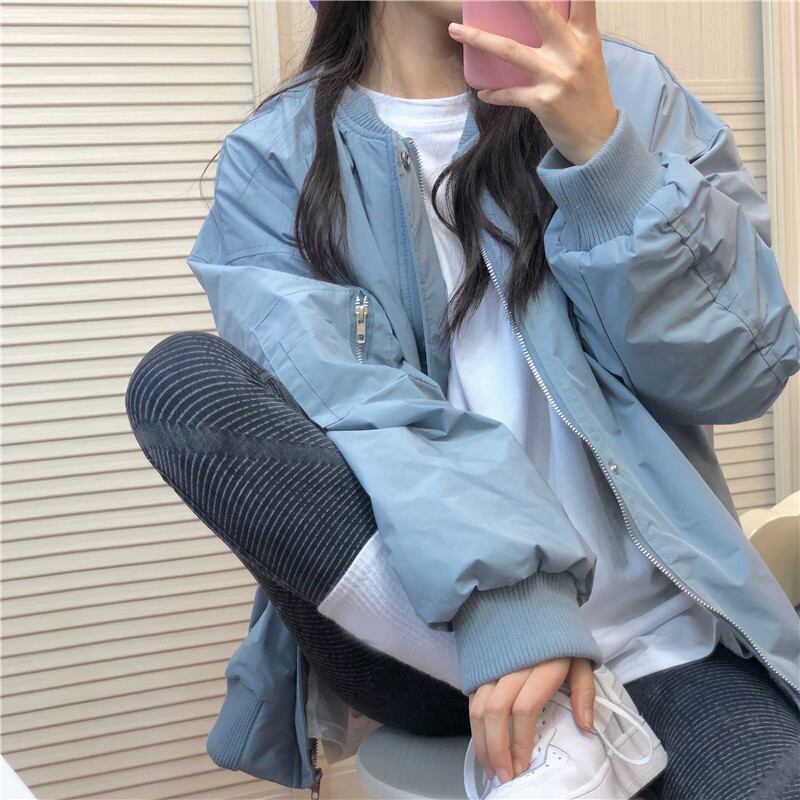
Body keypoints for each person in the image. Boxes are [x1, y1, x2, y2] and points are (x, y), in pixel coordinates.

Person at [125, 1, 800, 798]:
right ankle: (547, 708)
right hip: (430, 641)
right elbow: (354, 404)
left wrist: (604, 155)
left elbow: (738, 372)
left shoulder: (628, 92)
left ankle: (568, 720)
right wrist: (517, 613)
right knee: (182, 382)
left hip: (653, 627)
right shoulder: (279, 156)